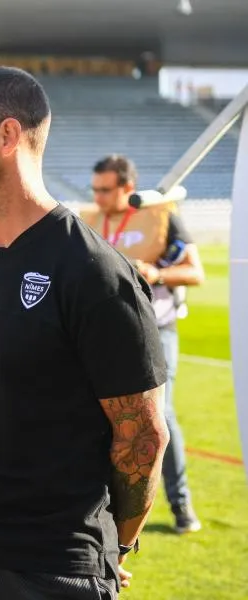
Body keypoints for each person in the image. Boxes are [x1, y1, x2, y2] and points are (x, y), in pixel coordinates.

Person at [0, 67, 169, 600]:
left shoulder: (95, 273)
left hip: (55, 566)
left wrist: (114, 547)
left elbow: (142, 439)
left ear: (7, 136)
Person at [86, 154, 205, 534]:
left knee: (159, 417)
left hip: (156, 330)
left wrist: (157, 272)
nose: (98, 197)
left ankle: (181, 504)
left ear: (128, 188)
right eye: (95, 190)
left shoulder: (161, 215)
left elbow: (195, 272)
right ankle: (99, 506)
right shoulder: (88, 221)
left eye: (106, 190)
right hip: (102, 334)